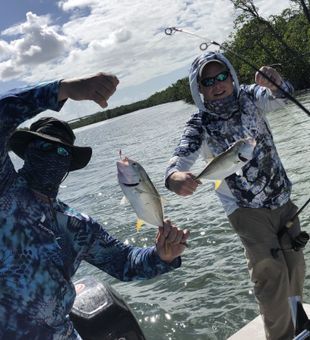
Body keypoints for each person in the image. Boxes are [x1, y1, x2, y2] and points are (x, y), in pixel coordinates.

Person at [0, 72, 190, 339]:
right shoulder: (4, 187)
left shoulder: (77, 225)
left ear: (68, 166)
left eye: (62, 152)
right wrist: (63, 89)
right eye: (44, 147)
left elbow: (124, 263)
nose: (53, 156)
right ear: (27, 150)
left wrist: (162, 255)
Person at [165, 51, 305, 340]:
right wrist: (174, 178)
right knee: (270, 273)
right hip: (245, 209)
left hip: (282, 199)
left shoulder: (251, 96)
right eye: (208, 81)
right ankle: (281, 337)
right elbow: (179, 160)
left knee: (295, 267)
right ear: (198, 88)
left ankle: (297, 323)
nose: (217, 84)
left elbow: (282, 98)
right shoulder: (199, 124)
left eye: (221, 76)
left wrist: (277, 84)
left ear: (231, 75)